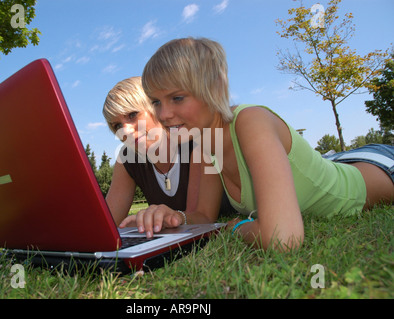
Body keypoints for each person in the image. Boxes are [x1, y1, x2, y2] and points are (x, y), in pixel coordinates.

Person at [122, 37, 394, 250]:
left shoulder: (250, 121)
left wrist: (235, 226)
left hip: (380, 166)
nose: (164, 114)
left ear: (214, 88)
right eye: (156, 102)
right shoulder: (204, 142)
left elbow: (283, 239)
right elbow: (204, 216)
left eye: (177, 98)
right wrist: (174, 217)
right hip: (337, 161)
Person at [103, 76, 238, 228]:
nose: (125, 131)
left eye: (133, 115)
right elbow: (107, 225)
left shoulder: (196, 139)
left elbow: (203, 217)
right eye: (117, 126)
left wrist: (174, 218)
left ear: (157, 107)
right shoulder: (127, 159)